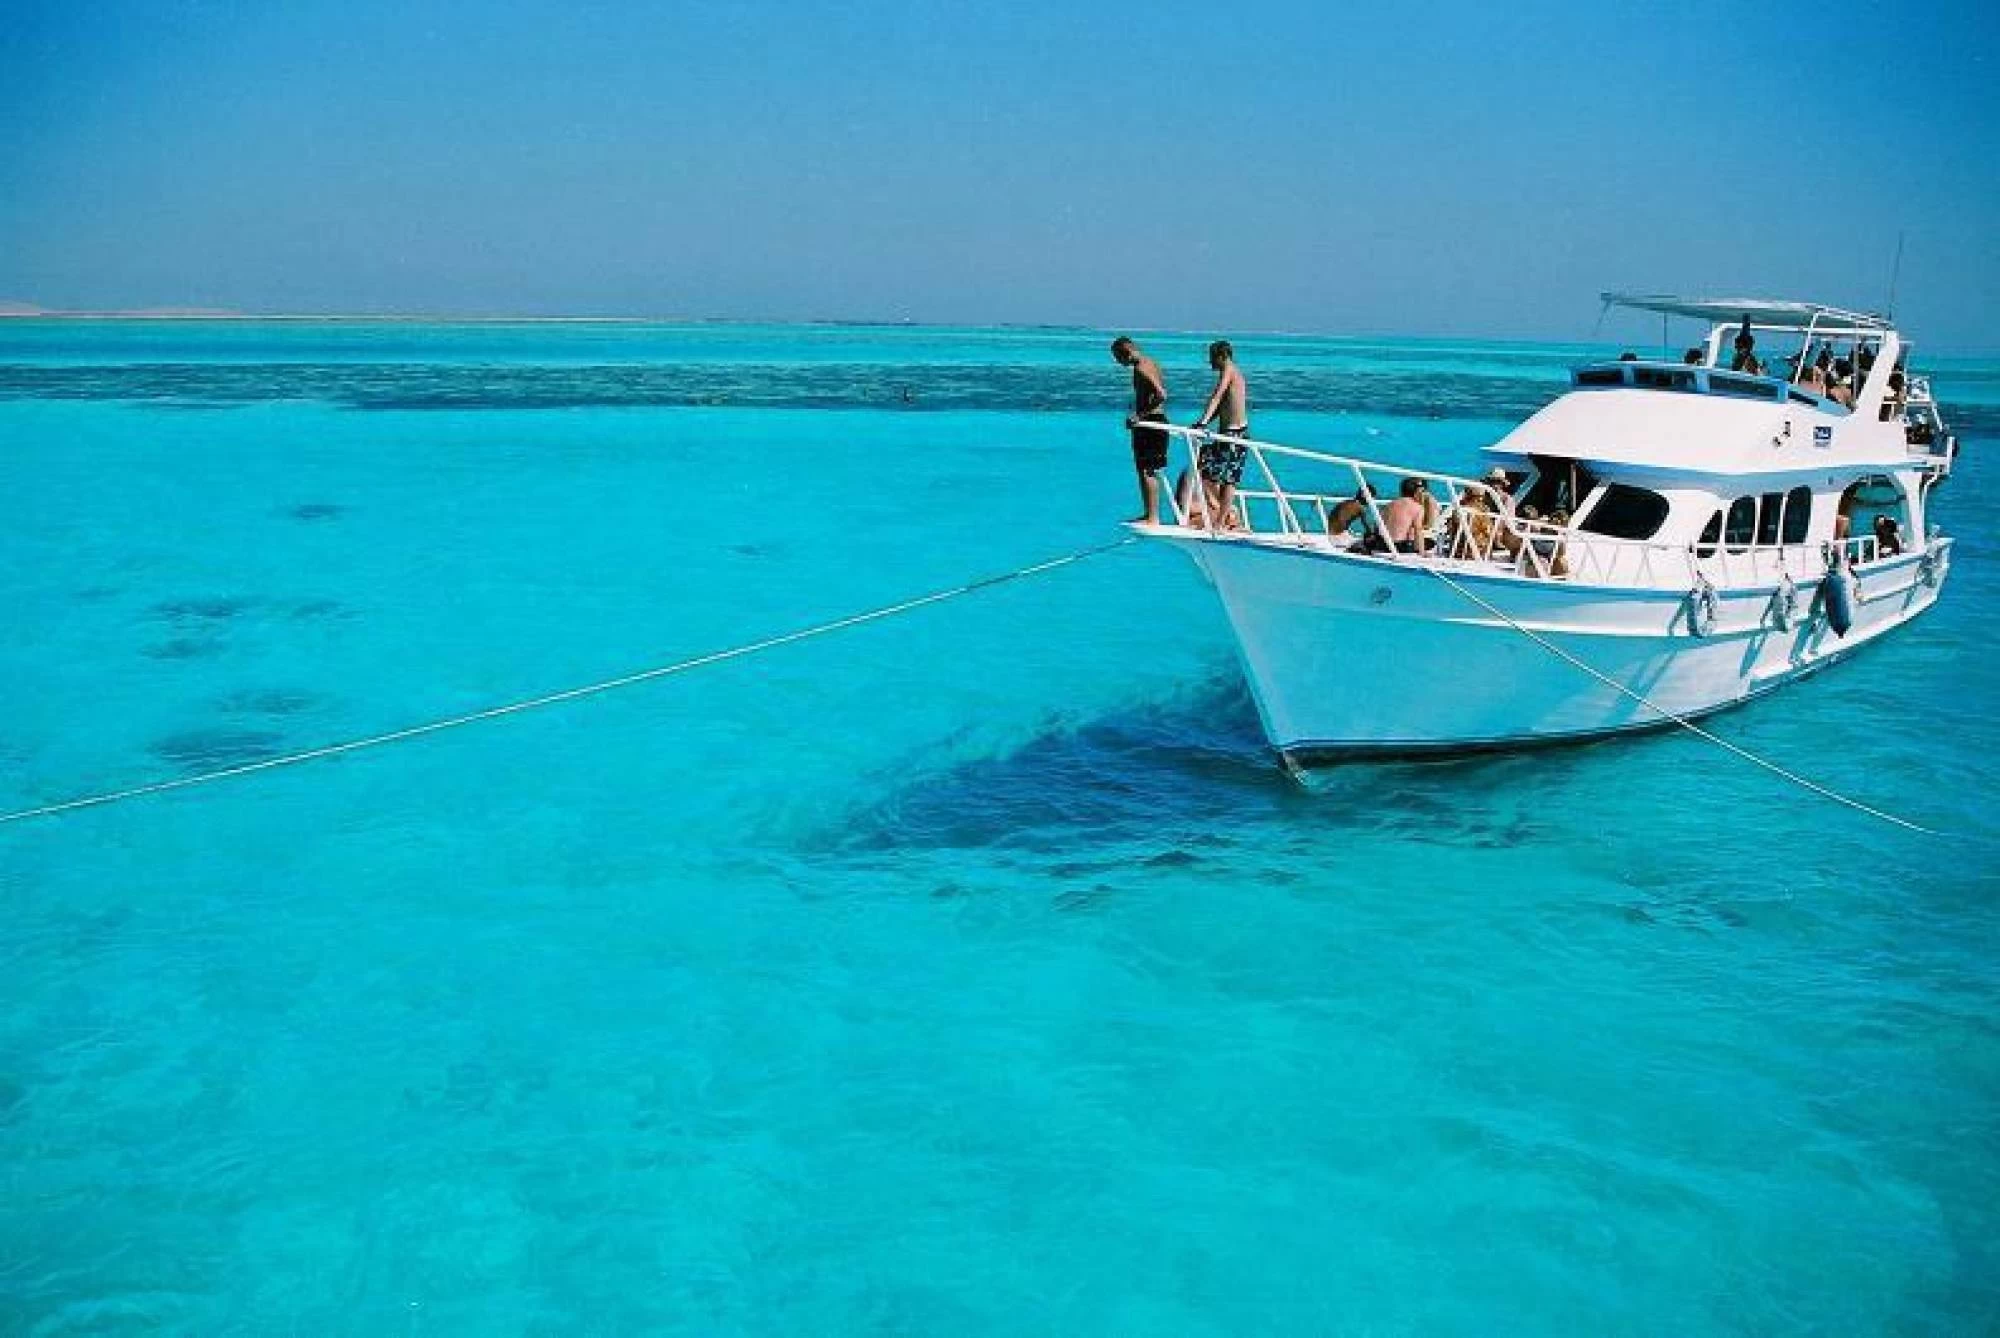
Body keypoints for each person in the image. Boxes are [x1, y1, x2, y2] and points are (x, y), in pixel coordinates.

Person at [1185, 340, 1251, 528]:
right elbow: (1221, 406)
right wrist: (1203, 422)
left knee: (1228, 478)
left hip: (1235, 435)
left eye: (1212, 358)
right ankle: (1218, 509)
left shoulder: (1229, 371)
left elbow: (1217, 396)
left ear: (1222, 356)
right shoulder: (1231, 372)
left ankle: (1221, 520)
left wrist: (1203, 422)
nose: (1210, 362)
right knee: (1204, 463)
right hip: (1230, 433)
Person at [1111, 337, 1171, 525]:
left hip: (1151, 423)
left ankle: (1152, 516)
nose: (1117, 362)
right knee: (1146, 469)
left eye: (1117, 357)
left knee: (1147, 470)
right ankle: (1149, 513)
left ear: (1125, 352)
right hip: (1154, 422)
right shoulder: (1151, 362)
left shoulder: (1142, 368)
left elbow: (1161, 394)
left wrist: (1140, 416)